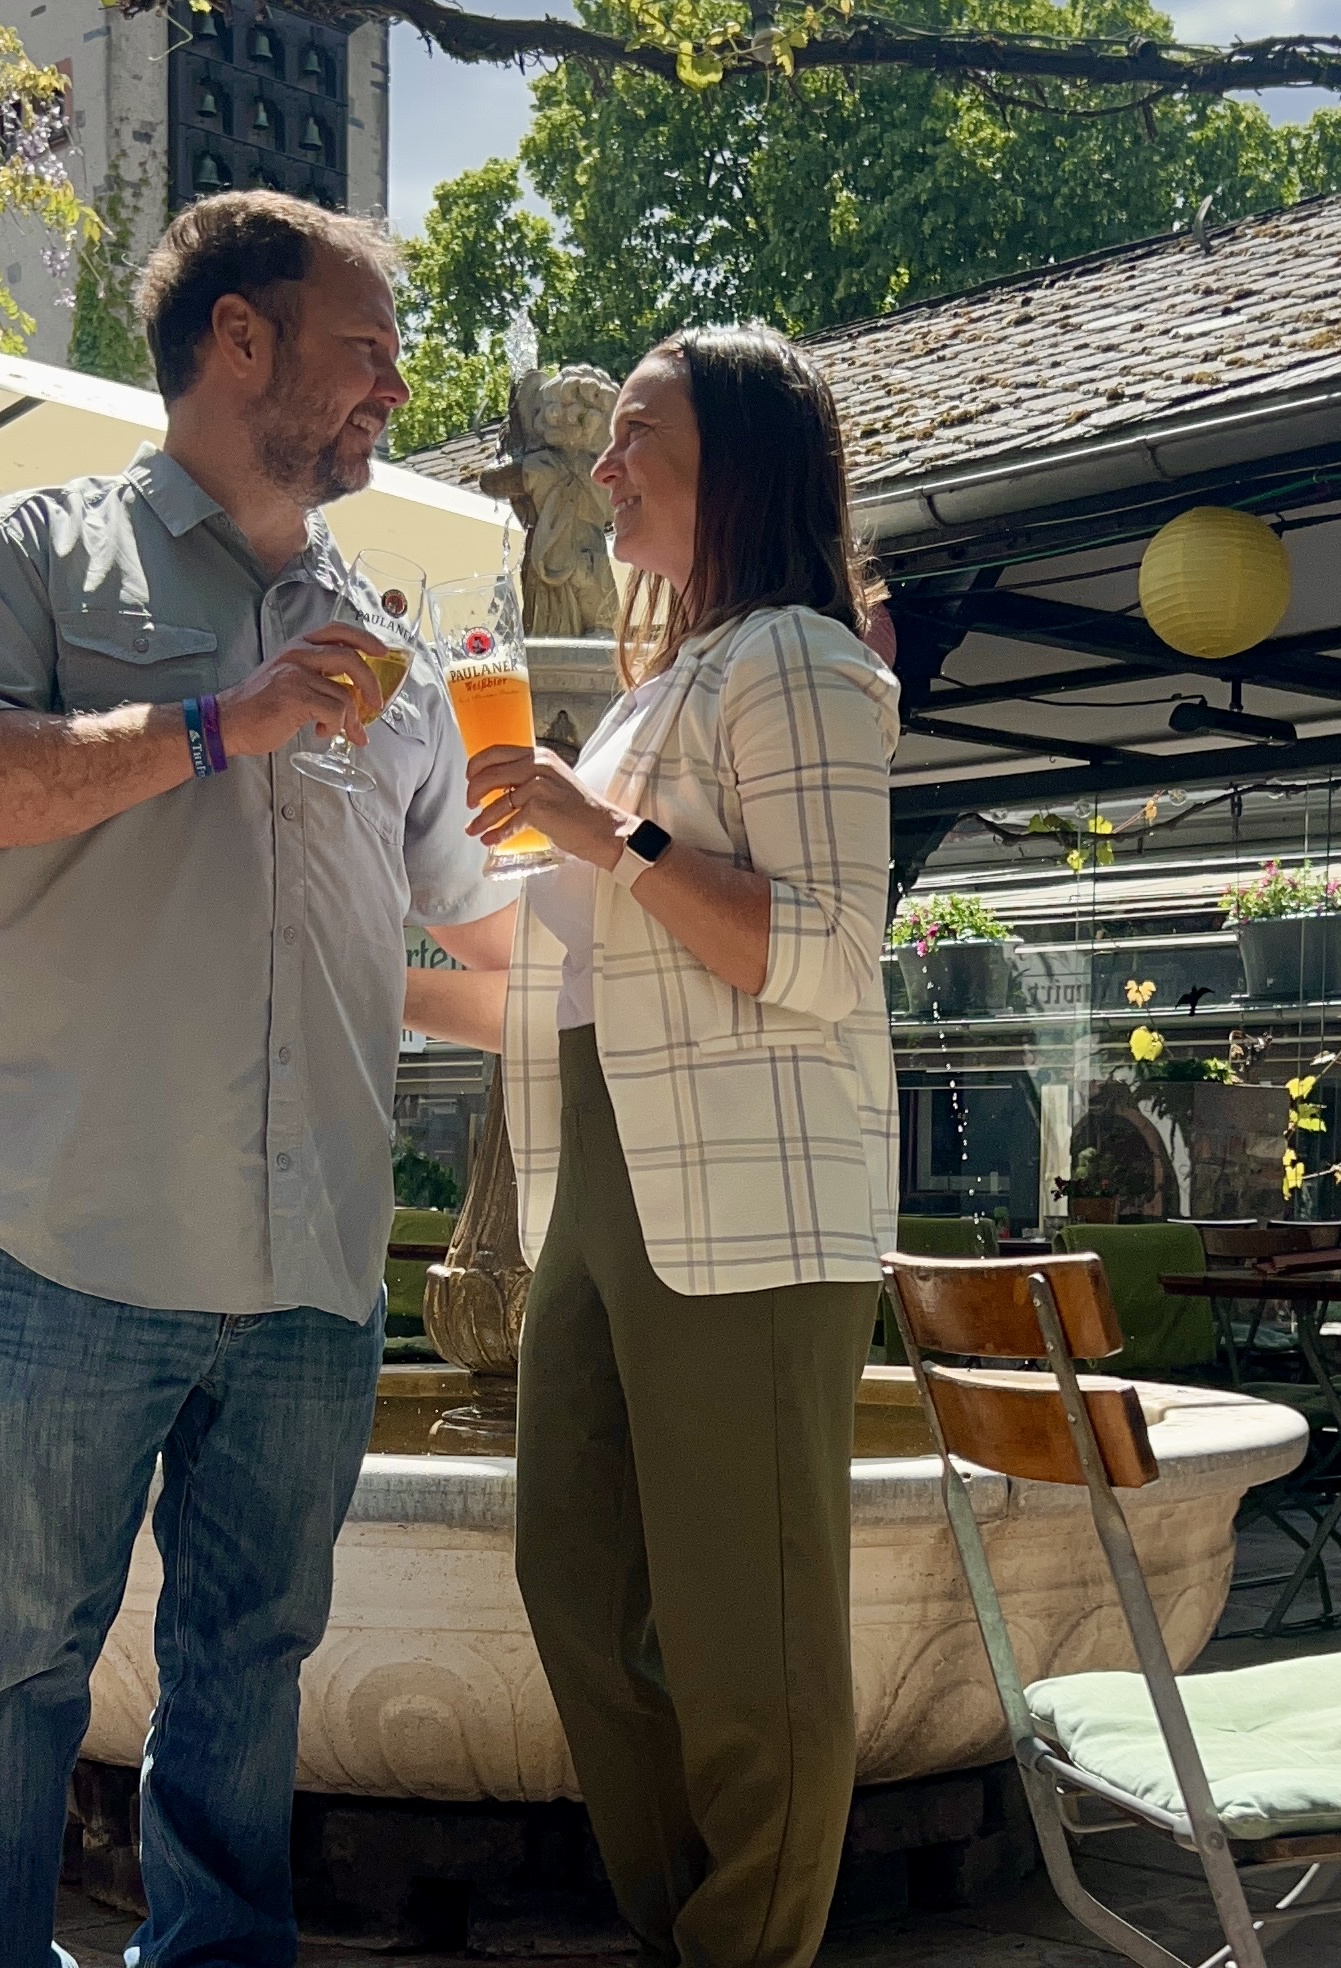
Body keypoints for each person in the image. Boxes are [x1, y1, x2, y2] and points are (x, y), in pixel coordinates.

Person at [0, 191, 516, 1968]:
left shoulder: (389, 645)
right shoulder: (26, 557)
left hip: (311, 1265)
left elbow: (461, 935)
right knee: (10, 1668)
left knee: (253, 1667)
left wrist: (640, 861)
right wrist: (219, 724)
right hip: (70, 1239)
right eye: (364, 349)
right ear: (239, 340)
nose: (393, 385)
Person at [411, 324, 900, 1968]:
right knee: (576, 1585)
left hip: (749, 1217)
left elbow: (822, 955)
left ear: (739, 469)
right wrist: (356, 916)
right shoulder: (653, 695)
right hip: (603, 1195)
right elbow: (552, 982)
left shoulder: (805, 665)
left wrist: (592, 827)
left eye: (636, 440)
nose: (604, 468)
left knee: (747, 1642)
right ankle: (684, 1928)